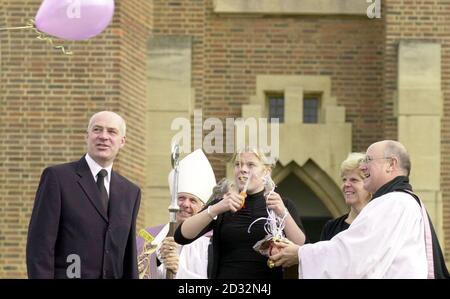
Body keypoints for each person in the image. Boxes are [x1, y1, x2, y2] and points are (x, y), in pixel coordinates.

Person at [270, 140, 450, 279]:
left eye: (369, 160)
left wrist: (300, 253)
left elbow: (354, 257)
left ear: (391, 164)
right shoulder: (401, 201)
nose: (363, 167)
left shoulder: (393, 203)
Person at [26, 111, 141, 279]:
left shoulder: (131, 192)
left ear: (122, 141)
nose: (103, 136)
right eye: (97, 130)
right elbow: (40, 246)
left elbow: (128, 257)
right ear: (86, 136)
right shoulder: (58, 178)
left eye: (111, 131)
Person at [174, 147, 306, 279]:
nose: (242, 169)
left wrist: (283, 213)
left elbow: (301, 247)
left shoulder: (282, 204)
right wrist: (215, 208)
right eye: (238, 164)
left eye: (250, 165)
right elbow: (182, 236)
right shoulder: (223, 204)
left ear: (266, 172)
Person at [136, 149, 216, 279]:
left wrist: (179, 271)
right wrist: (157, 260)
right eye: (181, 198)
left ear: (202, 207)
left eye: (192, 200)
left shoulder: (210, 243)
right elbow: (133, 271)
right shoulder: (149, 237)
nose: (185, 204)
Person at [320, 152, 371, 241]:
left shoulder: (378, 224)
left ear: (369, 185)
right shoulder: (331, 227)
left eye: (354, 180)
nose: (346, 184)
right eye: (344, 179)